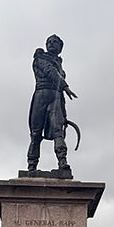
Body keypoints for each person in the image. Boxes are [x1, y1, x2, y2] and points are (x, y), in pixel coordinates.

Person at [27, 34, 77, 173]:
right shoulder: (40, 58)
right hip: (41, 95)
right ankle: (32, 165)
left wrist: (64, 113)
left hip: (56, 97)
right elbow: (50, 71)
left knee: (58, 131)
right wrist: (65, 86)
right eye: (49, 41)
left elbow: (57, 80)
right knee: (36, 133)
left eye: (55, 42)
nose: (52, 43)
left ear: (60, 48)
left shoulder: (60, 65)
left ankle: (63, 162)